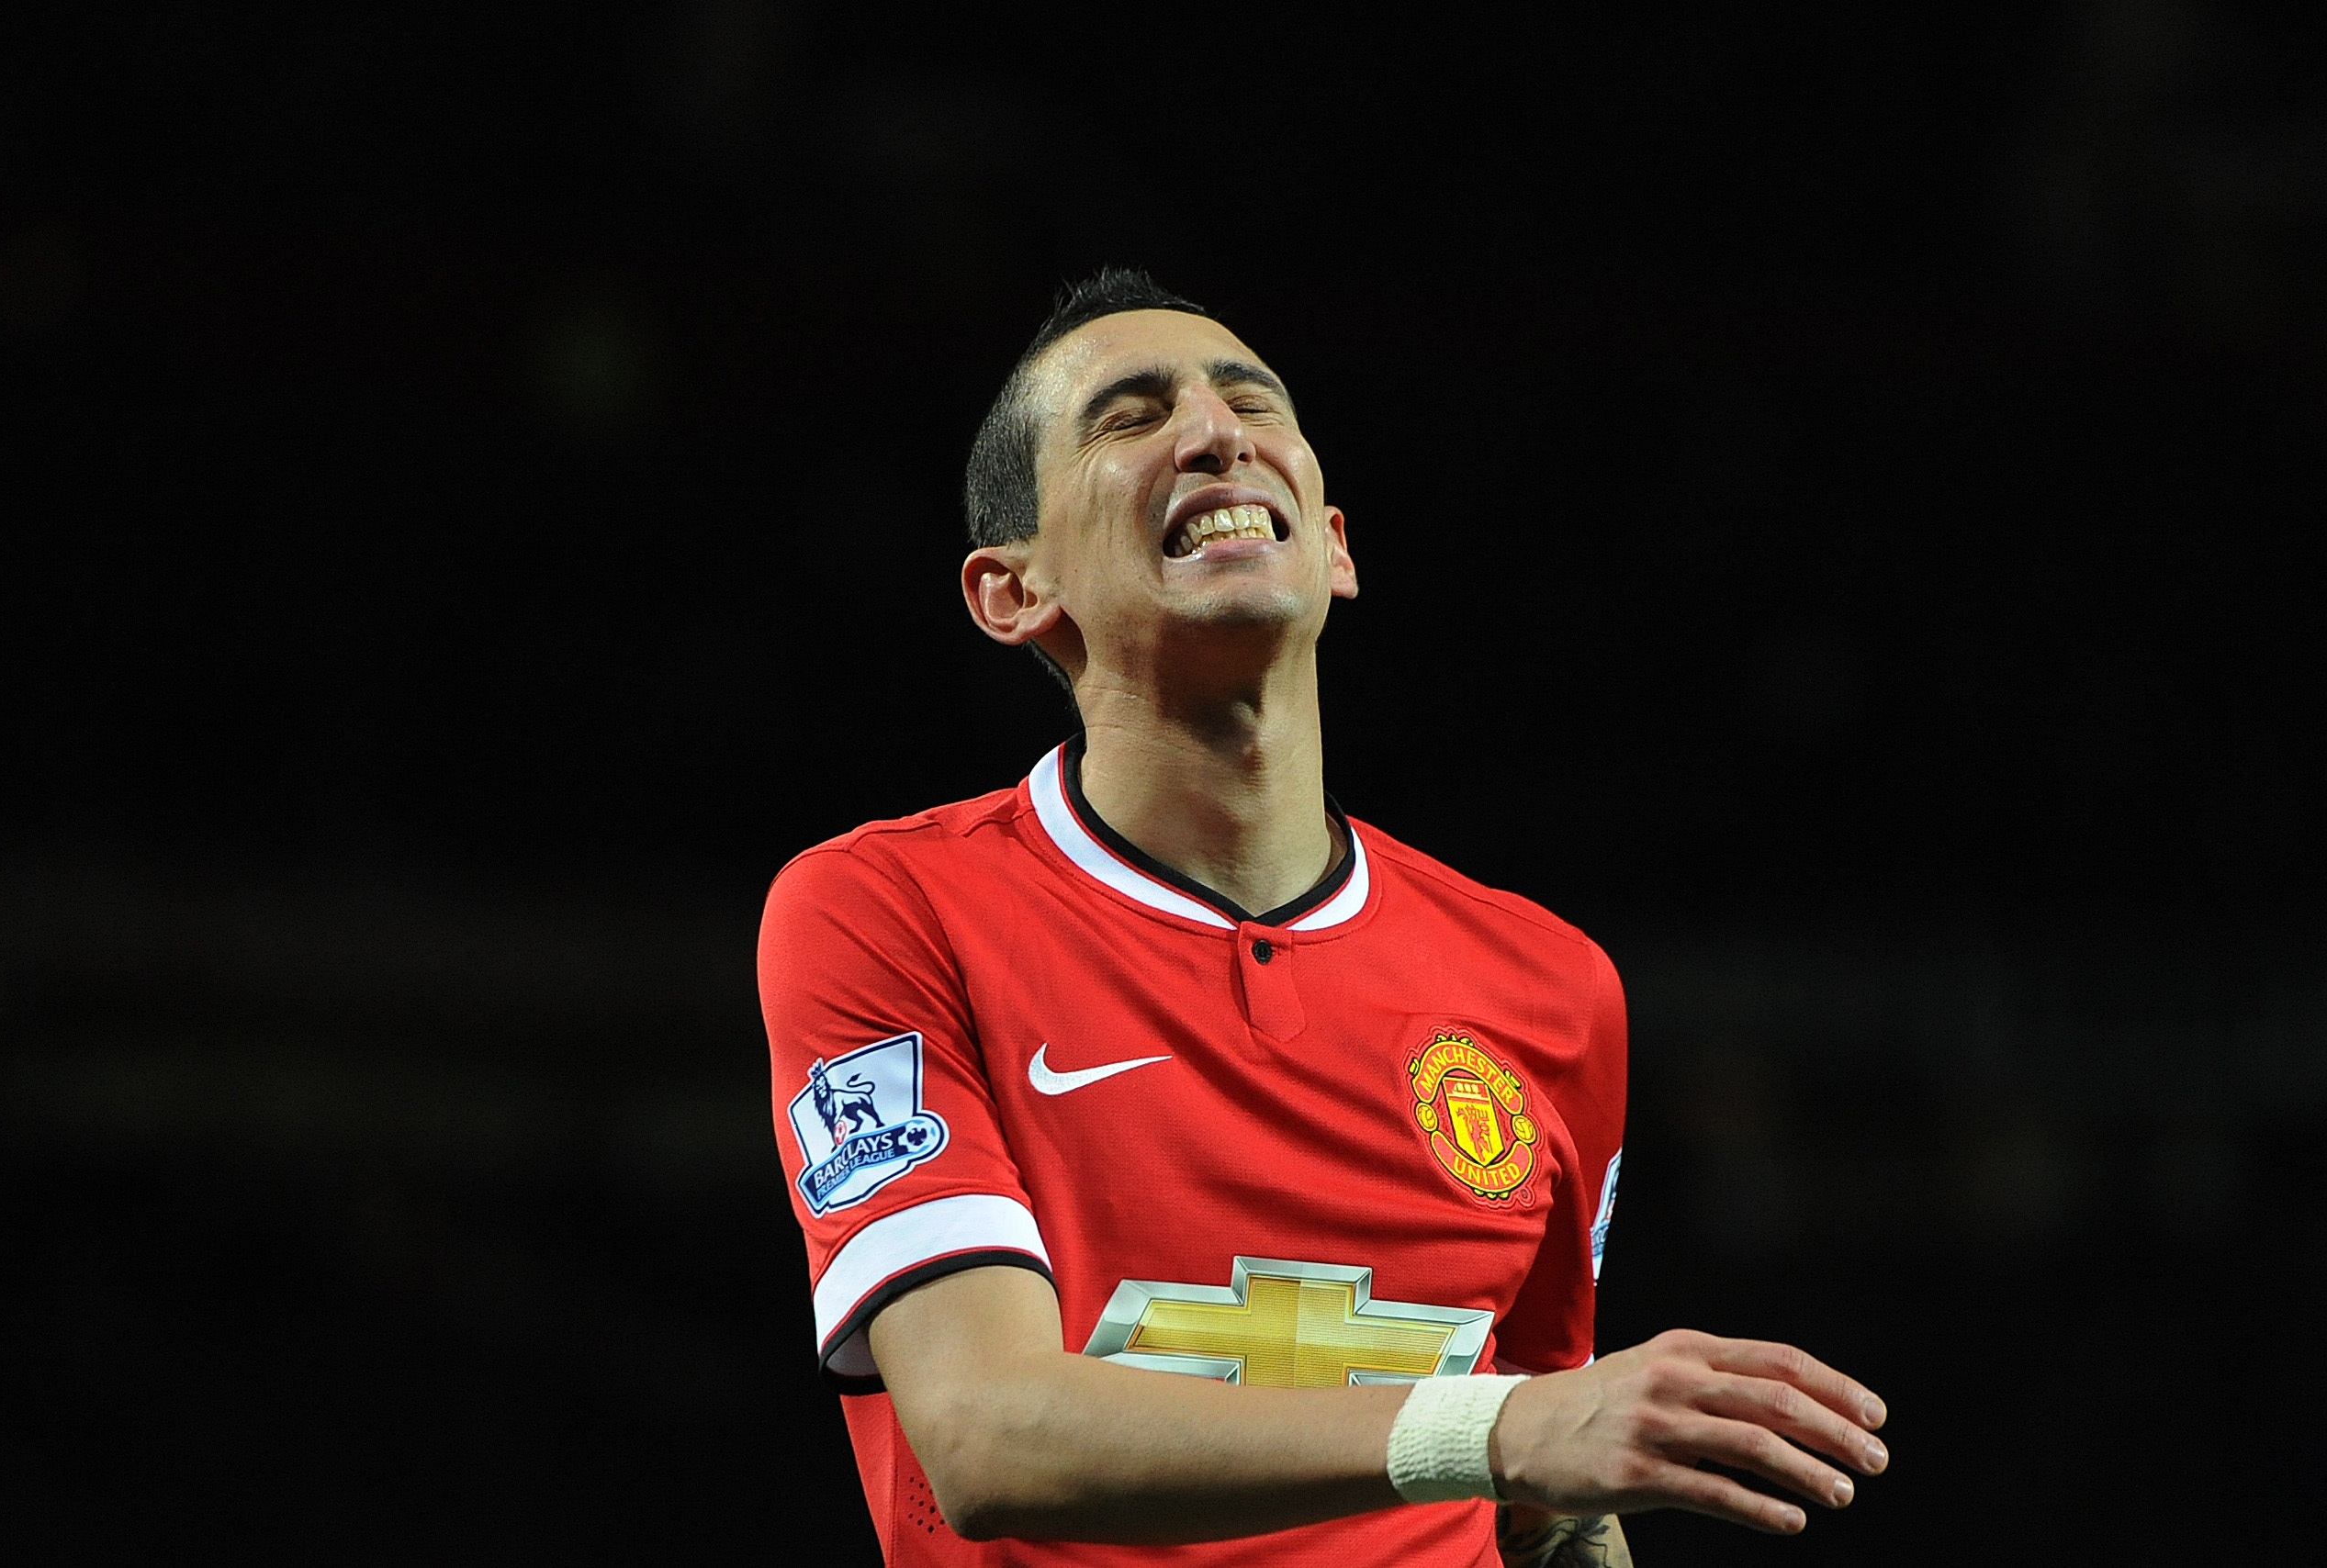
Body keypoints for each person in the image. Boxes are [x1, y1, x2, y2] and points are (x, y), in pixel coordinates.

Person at [759, 270, 1888, 1566]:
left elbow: (1550, 1500)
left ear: (1336, 545)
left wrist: (1535, 1451)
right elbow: (988, 1434)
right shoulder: (892, 910)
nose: (1214, 431)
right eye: (1130, 417)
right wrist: (1500, 1428)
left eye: (1251, 401)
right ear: (1013, 592)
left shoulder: (1553, 989)